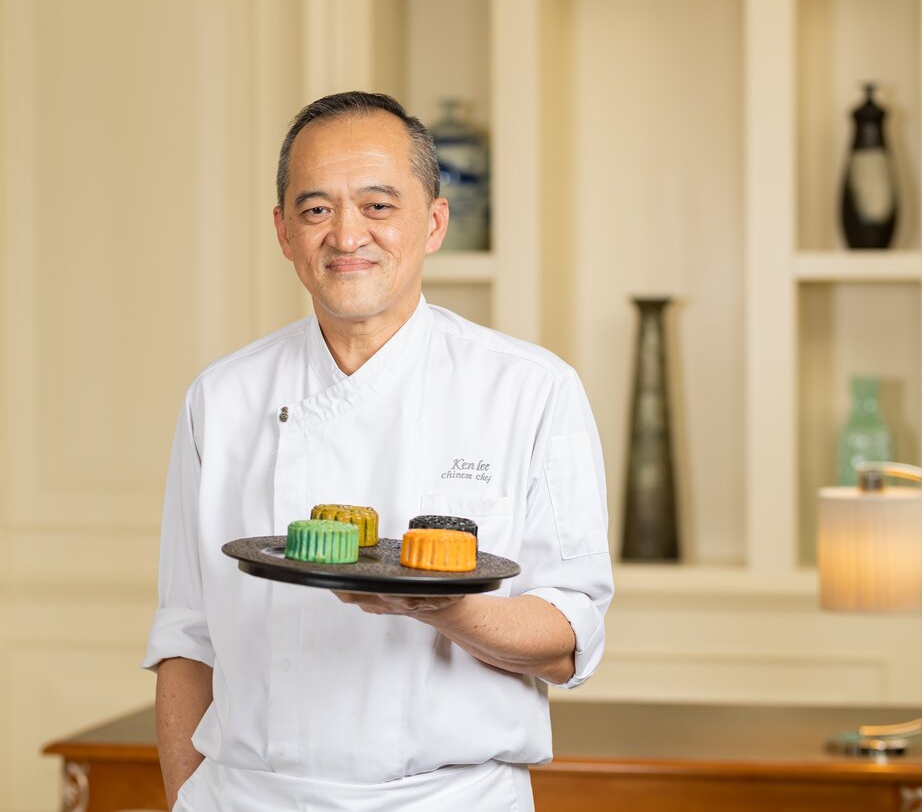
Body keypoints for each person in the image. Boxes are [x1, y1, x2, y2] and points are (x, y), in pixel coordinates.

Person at [144, 91, 613, 811]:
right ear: (283, 231)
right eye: (316, 209)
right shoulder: (222, 397)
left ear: (434, 222)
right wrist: (186, 799)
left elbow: (569, 636)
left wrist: (436, 605)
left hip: (449, 799)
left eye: (377, 205)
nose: (346, 234)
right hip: (248, 798)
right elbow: (186, 635)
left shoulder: (531, 389)